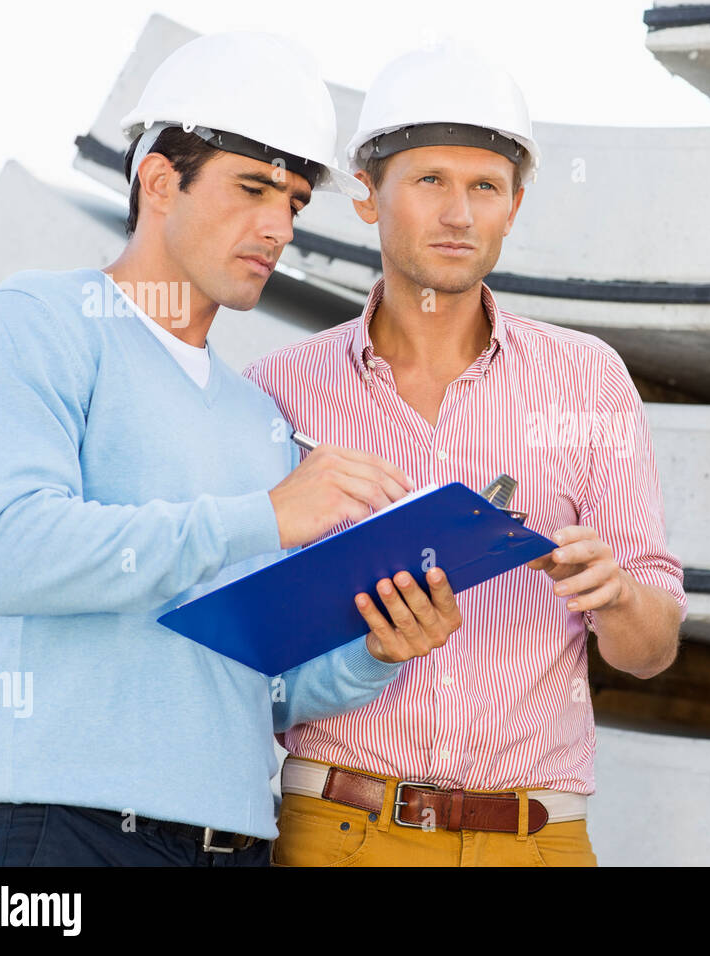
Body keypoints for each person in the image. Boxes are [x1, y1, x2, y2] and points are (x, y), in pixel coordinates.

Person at [0, 31, 461, 868]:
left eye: (293, 200)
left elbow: (256, 684)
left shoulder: (258, 417)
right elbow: (12, 553)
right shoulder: (39, 322)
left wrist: (377, 650)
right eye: (253, 188)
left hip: (235, 844)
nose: (277, 225)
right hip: (60, 834)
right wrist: (263, 516)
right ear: (159, 181)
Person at [244, 43, 687, 867]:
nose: (460, 214)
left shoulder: (588, 380)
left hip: (536, 839)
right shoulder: (278, 394)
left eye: (485, 186)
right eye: (430, 181)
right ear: (367, 197)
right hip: (338, 831)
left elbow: (653, 650)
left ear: (514, 207)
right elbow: (248, 654)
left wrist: (618, 597)